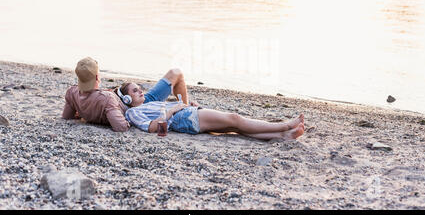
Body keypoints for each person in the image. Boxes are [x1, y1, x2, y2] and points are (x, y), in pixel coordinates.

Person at [120, 82, 305, 141]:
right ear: (127, 100)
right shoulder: (132, 113)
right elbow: (154, 128)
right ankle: (286, 124)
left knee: (237, 129)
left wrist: (187, 106)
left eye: (139, 88)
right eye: (134, 91)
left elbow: (161, 115)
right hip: (183, 118)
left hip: (186, 115)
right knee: (235, 118)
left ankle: (283, 134)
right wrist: (174, 109)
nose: (140, 91)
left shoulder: (145, 106)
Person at [62, 57, 192, 132]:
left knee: (175, 74)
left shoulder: (72, 92)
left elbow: (67, 117)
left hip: (126, 99)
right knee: (176, 73)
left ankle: (183, 106)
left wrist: (84, 113)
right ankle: (184, 106)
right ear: (97, 76)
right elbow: (121, 127)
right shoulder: (106, 99)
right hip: (136, 104)